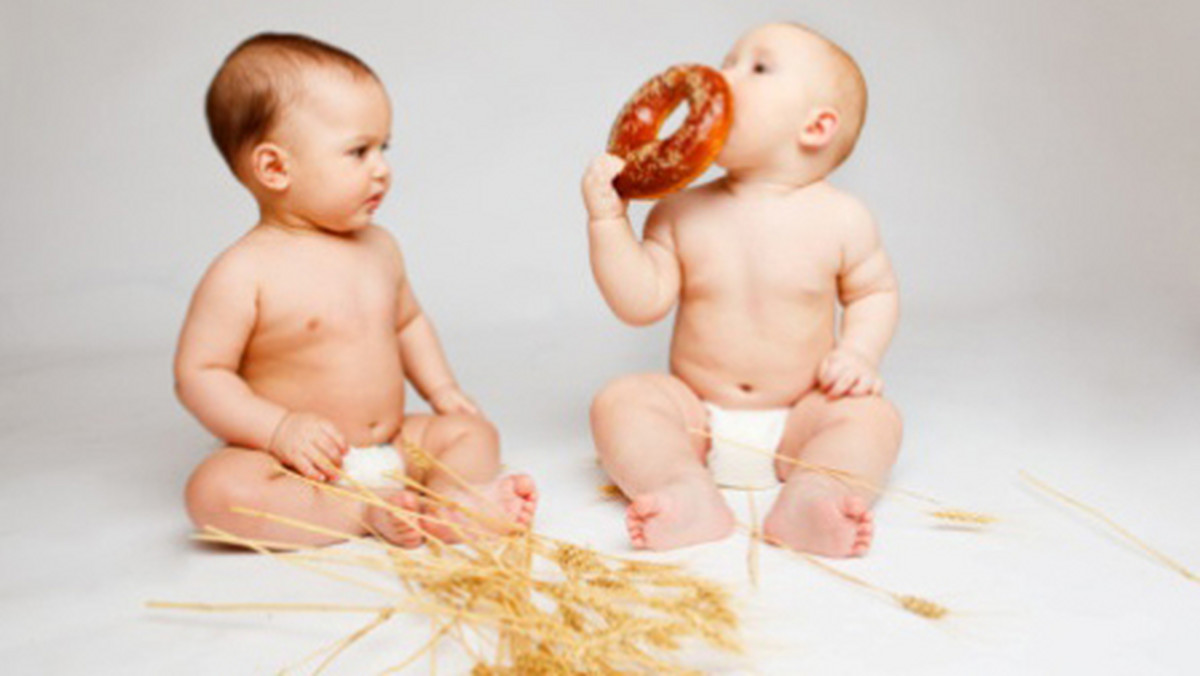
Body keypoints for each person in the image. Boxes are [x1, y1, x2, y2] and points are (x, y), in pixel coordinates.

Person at [176, 33, 536, 548]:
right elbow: (200, 375)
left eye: (383, 148)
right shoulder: (242, 272)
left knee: (474, 434)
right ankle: (363, 514)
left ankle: (451, 507)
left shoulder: (380, 248)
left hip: (391, 441)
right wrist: (278, 430)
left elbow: (408, 322)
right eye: (358, 151)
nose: (382, 168)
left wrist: (443, 391)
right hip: (299, 464)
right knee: (214, 491)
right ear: (276, 167)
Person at [585, 23, 901, 556]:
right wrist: (607, 223)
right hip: (696, 413)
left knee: (874, 419)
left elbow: (874, 293)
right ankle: (680, 487)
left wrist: (858, 352)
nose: (723, 76)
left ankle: (815, 492)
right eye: (727, 60)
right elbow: (641, 302)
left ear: (816, 126)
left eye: (756, 68)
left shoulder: (842, 218)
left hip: (803, 411)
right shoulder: (679, 211)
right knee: (621, 402)